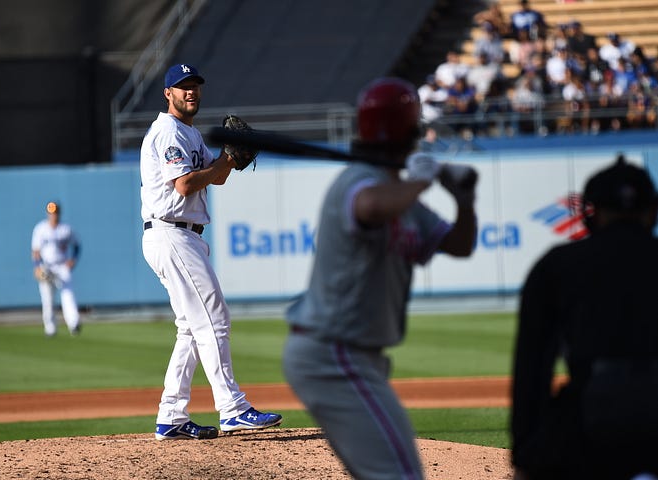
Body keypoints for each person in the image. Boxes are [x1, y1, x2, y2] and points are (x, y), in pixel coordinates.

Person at [283, 77, 478, 480]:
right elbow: (371, 207)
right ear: (409, 130)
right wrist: (422, 179)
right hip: (334, 353)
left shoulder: (399, 192)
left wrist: (464, 202)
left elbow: (459, 245)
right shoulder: (361, 181)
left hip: (355, 356)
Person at [140, 63, 282, 440]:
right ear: (167, 93)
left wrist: (232, 159)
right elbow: (185, 184)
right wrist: (224, 160)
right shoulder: (168, 132)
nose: (191, 92)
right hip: (172, 233)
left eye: (195, 86)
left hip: (180, 235)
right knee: (214, 317)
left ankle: (171, 415)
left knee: (190, 327)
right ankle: (232, 408)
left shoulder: (189, 133)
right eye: (182, 86)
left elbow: (216, 175)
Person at [511, 155, 658, 480]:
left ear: (590, 213)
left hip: (590, 421)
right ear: (652, 211)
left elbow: (532, 368)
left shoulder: (558, 265)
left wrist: (526, 451)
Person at [31, 201, 82, 337]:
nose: (53, 215)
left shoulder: (65, 229)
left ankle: (74, 324)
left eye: (55, 212)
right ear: (48, 214)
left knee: (68, 294)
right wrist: (37, 267)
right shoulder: (41, 229)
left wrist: (73, 260)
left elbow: (77, 245)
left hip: (61, 266)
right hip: (46, 267)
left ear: (59, 213)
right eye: (51, 212)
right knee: (47, 299)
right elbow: (35, 251)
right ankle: (50, 328)